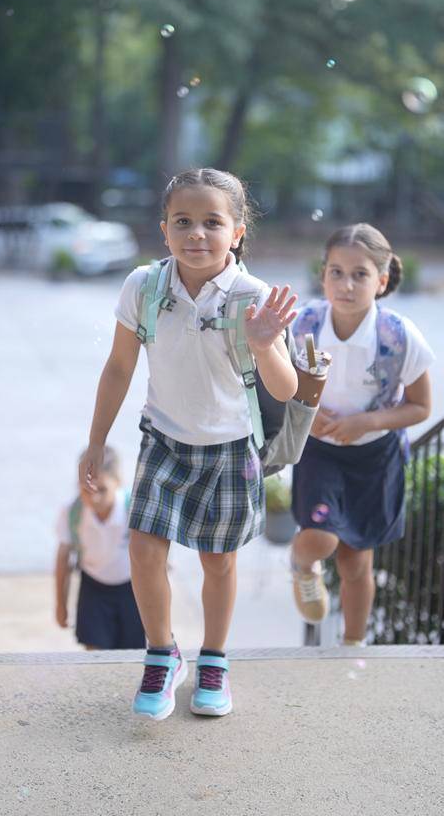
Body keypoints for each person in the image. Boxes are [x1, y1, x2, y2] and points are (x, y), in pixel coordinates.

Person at [79, 168, 298, 720]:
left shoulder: (253, 297)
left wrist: (264, 344)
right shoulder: (145, 286)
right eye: (183, 221)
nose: (196, 233)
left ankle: (214, 660)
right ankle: (162, 654)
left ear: (237, 232)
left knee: (218, 562)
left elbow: (285, 389)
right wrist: (95, 441)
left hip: (229, 447)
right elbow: (119, 367)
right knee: (143, 549)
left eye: (212, 222)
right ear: (164, 229)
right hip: (164, 439)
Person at [290, 223, 434, 645]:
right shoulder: (303, 325)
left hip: (374, 457)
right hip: (319, 451)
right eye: (336, 272)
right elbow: (278, 386)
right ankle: (302, 566)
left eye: (360, 274)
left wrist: (366, 422)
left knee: (356, 563)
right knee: (319, 538)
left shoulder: (398, 336)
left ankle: (352, 648)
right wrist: (306, 412)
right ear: (323, 275)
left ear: (382, 281)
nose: (346, 284)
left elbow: (421, 407)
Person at [55, 445, 145, 651]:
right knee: (95, 655)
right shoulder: (73, 512)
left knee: (133, 654)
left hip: (133, 589)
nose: (94, 498)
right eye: (86, 490)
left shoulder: (133, 510)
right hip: (93, 587)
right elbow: (63, 559)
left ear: (118, 482)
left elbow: (156, 559)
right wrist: (61, 604)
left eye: (102, 490)